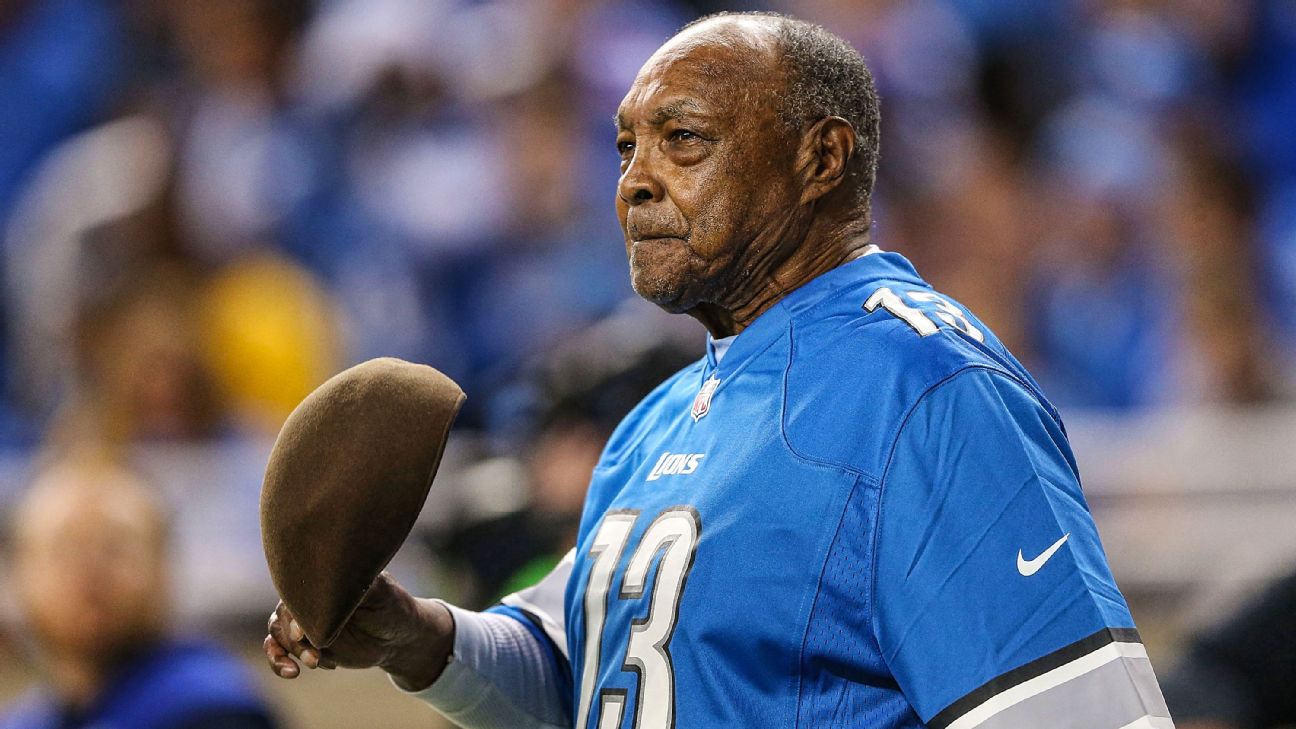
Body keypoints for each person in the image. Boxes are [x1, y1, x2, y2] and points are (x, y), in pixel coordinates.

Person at [264, 12, 1175, 728]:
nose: (635, 180)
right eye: (626, 145)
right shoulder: (656, 419)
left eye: (684, 139)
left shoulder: (927, 388)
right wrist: (415, 636)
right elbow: (597, 674)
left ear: (821, 158)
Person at [2, 458, 280, 729]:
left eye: (114, 548)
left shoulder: (214, 712)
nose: (90, 571)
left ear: (163, 566)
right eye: (64, 549)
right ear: (17, 572)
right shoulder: (27, 719)